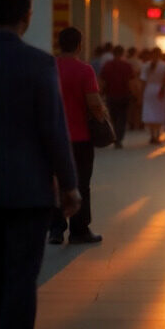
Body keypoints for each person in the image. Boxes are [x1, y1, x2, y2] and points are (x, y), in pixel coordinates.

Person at [0, 0, 81, 329]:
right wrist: (70, 186)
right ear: (27, 16)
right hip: (26, 192)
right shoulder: (37, 64)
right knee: (19, 281)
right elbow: (53, 129)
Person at [50, 27, 106, 245]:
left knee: (54, 182)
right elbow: (94, 103)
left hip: (53, 136)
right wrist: (101, 118)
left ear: (59, 44)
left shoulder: (48, 67)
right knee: (81, 183)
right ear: (79, 46)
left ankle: (55, 230)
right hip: (80, 137)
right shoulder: (85, 70)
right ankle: (79, 230)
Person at [99, 45, 134, 148]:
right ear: (122, 53)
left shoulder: (107, 65)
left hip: (111, 95)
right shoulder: (127, 66)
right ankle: (119, 138)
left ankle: (114, 137)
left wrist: (100, 93)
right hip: (124, 95)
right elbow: (130, 82)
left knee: (113, 118)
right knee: (122, 118)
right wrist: (133, 94)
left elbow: (102, 81)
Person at [141, 47, 165, 143]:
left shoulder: (146, 65)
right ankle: (157, 134)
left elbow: (143, 81)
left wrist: (141, 93)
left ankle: (152, 135)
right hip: (160, 91)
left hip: (149, 90)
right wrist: (163, 89)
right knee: (159, 113)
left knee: (150, 113)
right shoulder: (164, 65)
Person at [126, 47, 144, 131]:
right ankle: (139, 123)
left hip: (128, 85)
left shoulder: (126, 62)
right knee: (139, 106)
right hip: (138, 85)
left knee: (131, 106)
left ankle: (131, 123)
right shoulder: (140, 62)